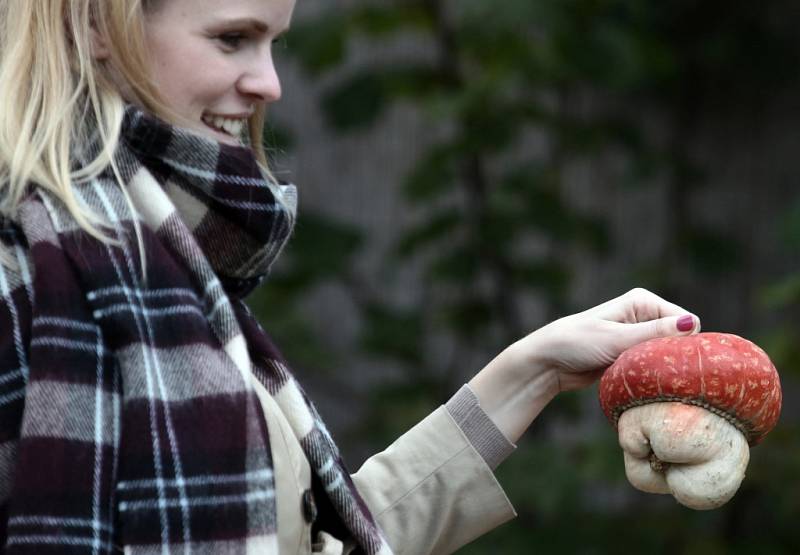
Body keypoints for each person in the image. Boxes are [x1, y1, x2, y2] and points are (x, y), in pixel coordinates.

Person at [0, 1, 700, 553]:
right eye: (232, 38)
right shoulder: (24, 274)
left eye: (273, 41)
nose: (269, 82)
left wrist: (534, 370)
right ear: (96, 22)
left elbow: (313, 545)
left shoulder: (169, 269)